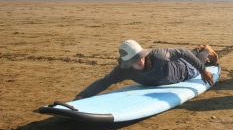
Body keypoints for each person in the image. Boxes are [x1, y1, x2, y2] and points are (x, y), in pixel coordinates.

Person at [74, 39, 218, 100]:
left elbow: (182, 52)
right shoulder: (124, 70)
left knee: (198, 59)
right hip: (164, 78)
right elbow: (104, 82)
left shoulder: (159, 56)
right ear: (127, 63)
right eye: (134, 61)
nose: (140, 61)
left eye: (140, 57)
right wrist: (82, 96)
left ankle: (205, 50)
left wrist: (203, 71)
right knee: (193, 56)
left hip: (183, 71)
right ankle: (199, 51)